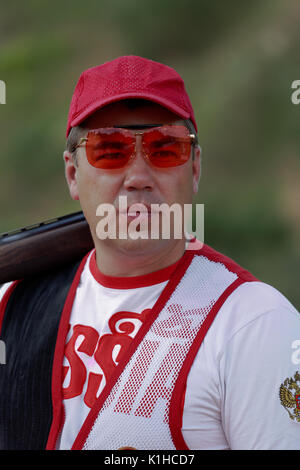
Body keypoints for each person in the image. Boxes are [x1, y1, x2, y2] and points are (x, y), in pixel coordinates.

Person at [0, 55, 299, 451]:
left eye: (165, 148)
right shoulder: (12, 302)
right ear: (73, 174)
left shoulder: (257, 324)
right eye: (109, 150)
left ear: (194, 170)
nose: (138, 177)